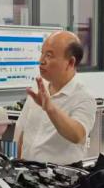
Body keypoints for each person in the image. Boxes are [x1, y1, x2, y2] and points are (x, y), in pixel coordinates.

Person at [16, 30, 97, 165]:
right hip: (28, 171)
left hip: (60, 175)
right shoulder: (39, 88)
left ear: (70, 62)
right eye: (42, 53)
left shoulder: (83, 97)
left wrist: (50, 109)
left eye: (49, 55)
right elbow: (24, 133)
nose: (41, 61)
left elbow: (78, 135)